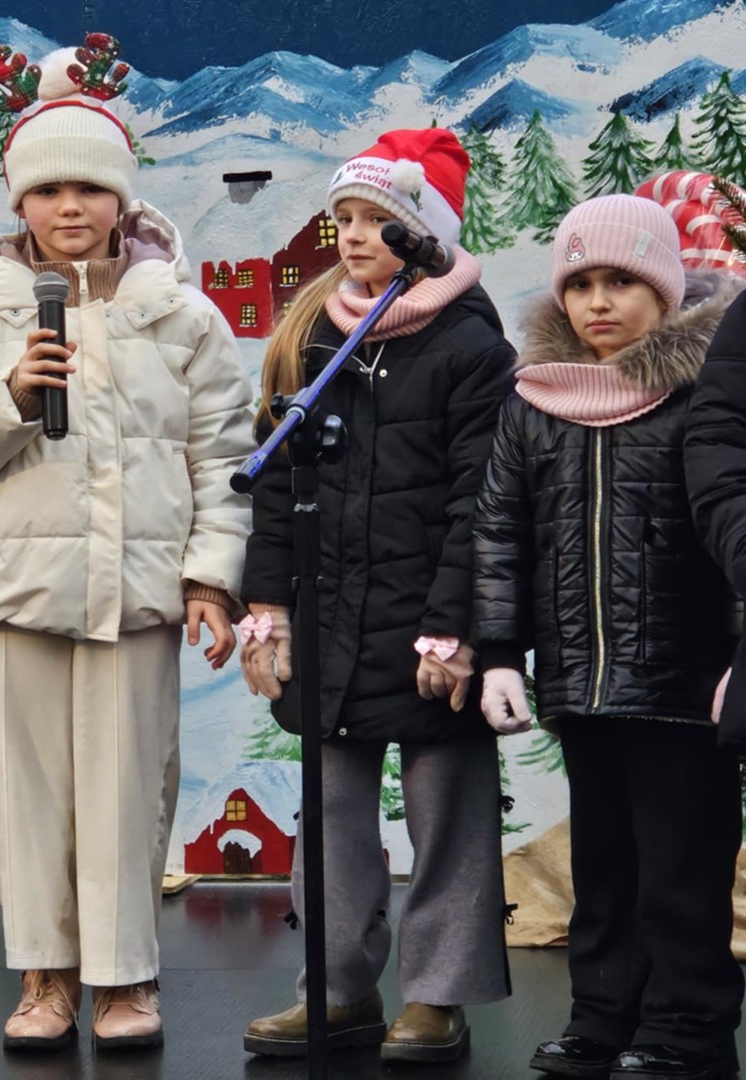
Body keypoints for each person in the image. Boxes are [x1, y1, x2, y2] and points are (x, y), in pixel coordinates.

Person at [0, 42, 256, 1051]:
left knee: (128, 794)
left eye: (90, 188)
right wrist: (11, 395)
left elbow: (224, 458)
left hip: (136, 591)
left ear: (120, 197)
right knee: (31, 798)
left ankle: (125, 977)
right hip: (18, 591)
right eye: (49, 188)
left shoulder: (180, 316)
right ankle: (45, 977)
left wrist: (210, 578)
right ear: (19, 200)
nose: (70, 207)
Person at [238, 128, 515, 1064]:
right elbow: (275, 488)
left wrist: (454, 629)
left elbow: (482, 501)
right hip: (332, 620)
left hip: (429, 625)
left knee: (449, 816)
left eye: (379, 221)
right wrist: (269, 610)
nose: (354, 236)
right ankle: (336, 989)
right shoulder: (315, 338)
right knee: (330, 820)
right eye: (344, 218)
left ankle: (438, 997)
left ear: (425, 233)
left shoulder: (470, 345)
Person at [488, 193, 746, 1080]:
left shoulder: (700, 396)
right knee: (603, 866)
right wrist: (498, 653)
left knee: (683, 868)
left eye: (621, 283)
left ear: (665, 291)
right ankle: (604, 1018)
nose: (598, 302)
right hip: (582, 680)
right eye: (581, 283)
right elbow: (498, 534)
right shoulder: (533, 403)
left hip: (682, 683)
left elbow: (730, 533)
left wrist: (738, 655)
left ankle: (688, 1030)